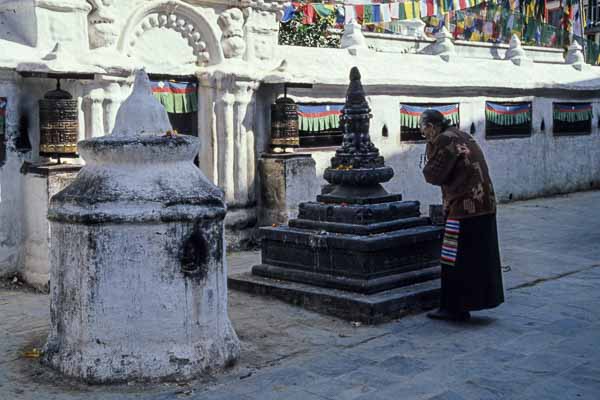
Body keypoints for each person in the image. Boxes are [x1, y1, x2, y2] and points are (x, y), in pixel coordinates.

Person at [420, 109, 504, 321]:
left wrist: (429, 147)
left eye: (423, 128)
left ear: (432, 126)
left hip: (465, 207)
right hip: (484, 202)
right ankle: (478, 299)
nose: (422, 133)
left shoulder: (444, 140)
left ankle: (454, 307)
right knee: (478, 256)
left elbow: (433, 174)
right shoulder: (460, 134)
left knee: (453, 256)